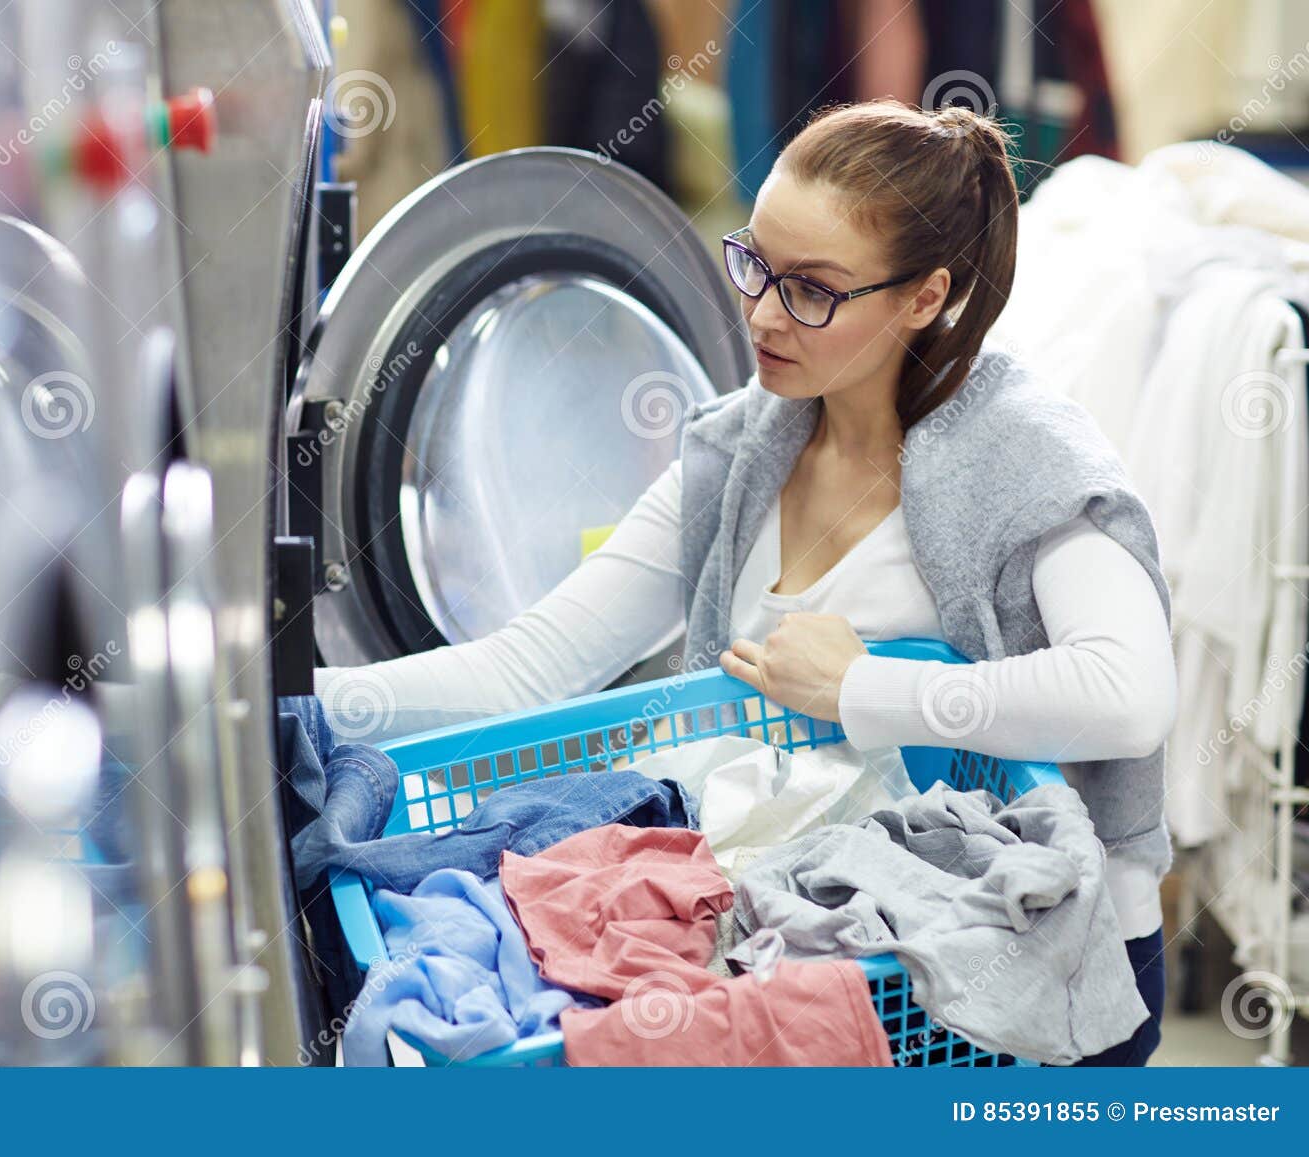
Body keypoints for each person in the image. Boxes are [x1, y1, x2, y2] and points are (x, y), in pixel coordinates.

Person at [315, 100, 1177, 1066]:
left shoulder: (1023, 457)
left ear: (926, 296)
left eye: (812, 289)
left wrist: (861, 689)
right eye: (755, 263)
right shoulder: (739, 449)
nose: (764, 313)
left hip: (1039, 971)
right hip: (809, 947)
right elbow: (535, 665)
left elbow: (1129, 697)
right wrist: (299, 711)